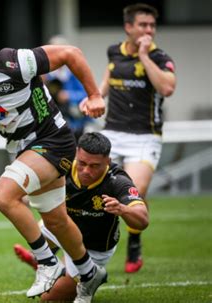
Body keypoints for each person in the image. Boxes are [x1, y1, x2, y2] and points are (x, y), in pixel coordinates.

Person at [0, 32, 105, 301]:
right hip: (21, 150)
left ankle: (47, 263)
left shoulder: (14, 62)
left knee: (5, 195)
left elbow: (71, 53)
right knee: (56, 221)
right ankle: (89, 272)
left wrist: (94, 95)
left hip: (52, 139)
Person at [12, 132, 149, 302]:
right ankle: (47, 262)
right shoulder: (63, 165)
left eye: (94, 166)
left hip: (93, 249)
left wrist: (123, 209)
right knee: (42, 228)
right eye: (82, 163)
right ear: (76, 153)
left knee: (50, 299)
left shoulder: (117, 180)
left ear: (108, 161)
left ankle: (90, 275)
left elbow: (143, 220)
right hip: (63, 229)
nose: (86, 171)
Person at [96, 3, 176, 273]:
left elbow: (167, 87)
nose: (149, 30)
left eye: (152, 25)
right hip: (112, 132)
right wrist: (95, 97)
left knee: (134, 192)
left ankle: (134, 241)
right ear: (128, 27)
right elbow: (108, 78)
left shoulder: (160, 56)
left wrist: (144, 55)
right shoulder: (113, 51)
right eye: (143, 25)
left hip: (144, 136)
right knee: (89, 184)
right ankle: (62, 245)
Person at [43, 36, 92, 141]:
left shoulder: (74, 72)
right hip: (51, 123)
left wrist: (68, 95)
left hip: (75, 122)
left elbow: (87, 94)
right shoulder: (44, 75)